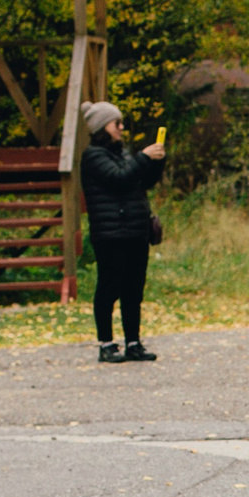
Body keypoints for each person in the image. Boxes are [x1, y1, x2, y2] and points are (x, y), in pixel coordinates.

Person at [80, 101, 164, 363]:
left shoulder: (124, 154)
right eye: (117, 123)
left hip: (135, 232)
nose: (121, 128)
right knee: (109, 287)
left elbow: (141, 180)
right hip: (110, 235)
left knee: (133, 290)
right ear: (102, 126)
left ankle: (133, 342)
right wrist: (143, 157)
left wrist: (156, 161)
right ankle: (106, 344)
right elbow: (119, 178)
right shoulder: (93, 156)